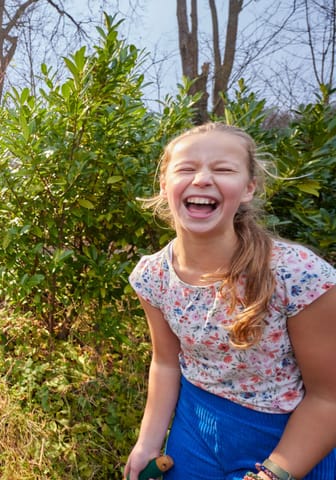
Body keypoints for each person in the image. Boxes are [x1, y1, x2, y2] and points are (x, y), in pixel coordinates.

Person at [122, 123, 336, 480]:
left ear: (248, 188)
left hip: (291, 438)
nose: (203, 179)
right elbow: (165, 363)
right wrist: (148, 442)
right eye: (187, 168)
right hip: (195, 429)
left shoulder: (297, 275)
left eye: (223, 169)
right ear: (164, 186)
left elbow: (328, 396)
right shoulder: (153, 276)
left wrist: (274, 474)